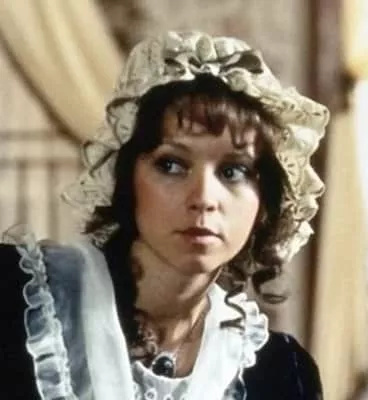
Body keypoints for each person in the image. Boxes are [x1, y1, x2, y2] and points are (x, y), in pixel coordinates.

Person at [0, 31, 329, 399]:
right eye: (171, 165)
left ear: (264, 202)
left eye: (233, 171)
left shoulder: (282, 373)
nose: (203, 198)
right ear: (126, 180)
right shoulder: (19, 300)